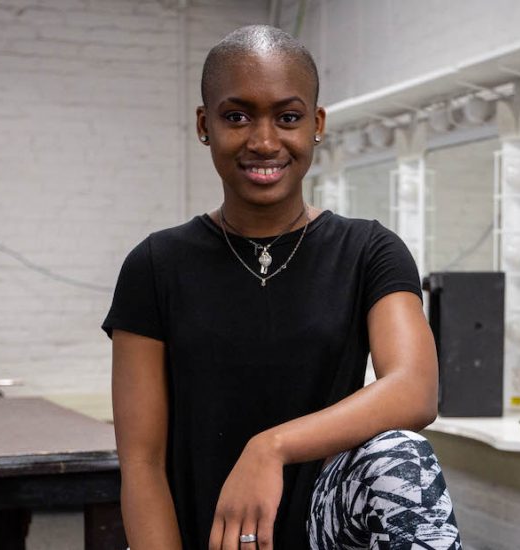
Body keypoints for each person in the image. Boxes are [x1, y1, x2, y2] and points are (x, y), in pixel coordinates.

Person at [103, 26, 462, 549]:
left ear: (316, 125)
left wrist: (270, 448)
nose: (264, 141)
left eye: (288, 117)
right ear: (205, 126)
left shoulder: (368, 251)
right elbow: (142, 463)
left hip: (328, 531)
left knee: (401, 455)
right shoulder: (156, 265)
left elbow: (415, 388)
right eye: (237, 116)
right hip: (211, 539)